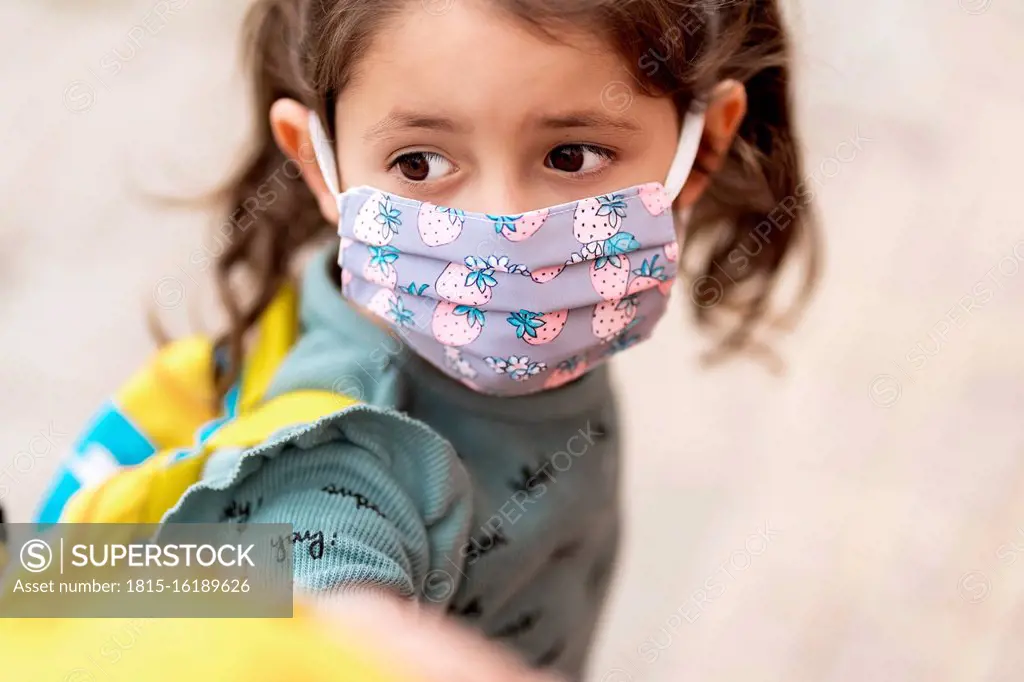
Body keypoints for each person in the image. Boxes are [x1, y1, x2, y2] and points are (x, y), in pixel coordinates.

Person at [34, 0, 817, 678]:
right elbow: (324, 602)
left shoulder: (549, 348)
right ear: (319, 163)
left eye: (571, 156)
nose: (502, 228)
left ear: (703, 146)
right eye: (421, 162)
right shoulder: (344, 439)